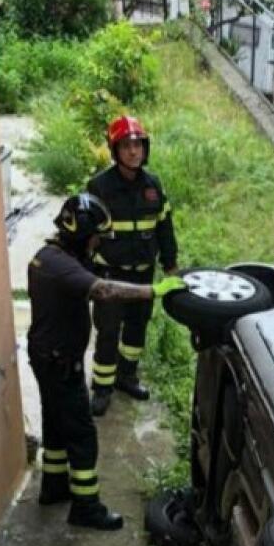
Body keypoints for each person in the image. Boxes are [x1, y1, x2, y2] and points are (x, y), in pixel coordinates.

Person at [28, 193, 185, 529]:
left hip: (47, 357)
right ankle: (86, 507)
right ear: (81, 234)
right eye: (96, 237)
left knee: (55, 423)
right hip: (59, 362)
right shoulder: (62, 267)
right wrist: (153, 291)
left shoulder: (48, 257)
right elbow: (104, 291)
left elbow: (92, 272)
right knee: (83, 435)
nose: (98, 243)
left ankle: (53, 486)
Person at [87, 115, 178, 417]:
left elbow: (164, 227)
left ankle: (127, 376)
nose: (133, 151)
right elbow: (86, 233)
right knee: (108, 331)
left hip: (143, 275)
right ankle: (102, 387)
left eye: (138, 145)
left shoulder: (153, 186)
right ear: (115, 150)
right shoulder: (99, 187)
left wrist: (170, 264)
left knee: (137, 329)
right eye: (126, 146)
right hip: (110, 277)